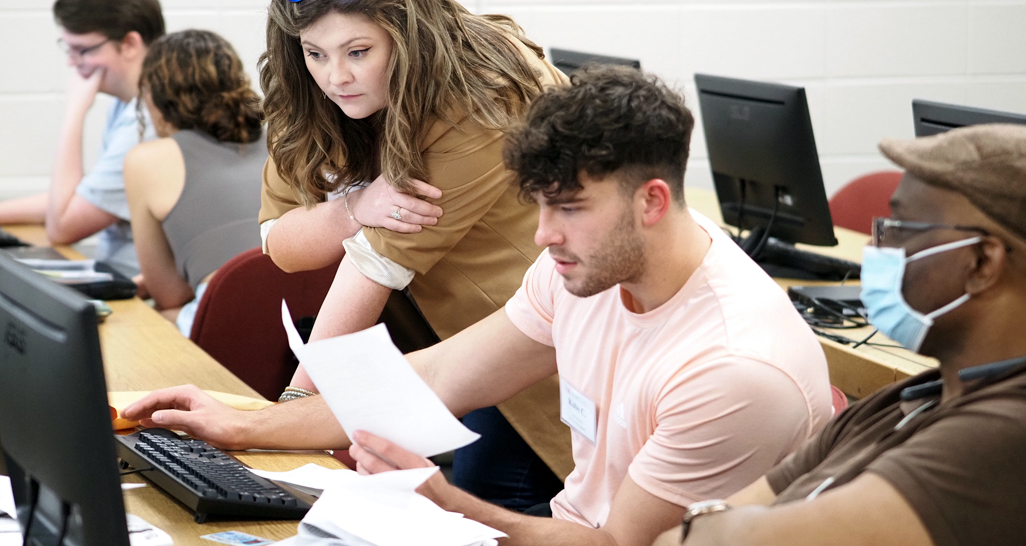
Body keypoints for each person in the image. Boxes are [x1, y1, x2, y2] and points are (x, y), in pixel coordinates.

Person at [123, 65, 834, 546]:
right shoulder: (585, 267)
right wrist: (244, 426)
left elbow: (613, 544)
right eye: (539, 207)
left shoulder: (733, 368)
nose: (542, 235)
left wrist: (448, 504)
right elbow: (433, 381)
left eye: (569, 210)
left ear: (652, 202)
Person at [256, 0, 568, 509]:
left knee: (501, 511)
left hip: (549, 356)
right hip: (468, 349)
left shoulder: (483, 93)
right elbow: (281, 243)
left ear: (408, 35)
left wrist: (281, 423)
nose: (336, 77)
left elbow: (373, 267)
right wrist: (354, 207)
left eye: (358, 52)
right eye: (315, 53)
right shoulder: (321, 92)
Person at [648, 123, 1026, 546]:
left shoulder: (1005, 434)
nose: (877, 249)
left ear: (981, 262)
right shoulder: (905, 401)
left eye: (900, 228)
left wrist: (713, 527)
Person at [0, 0, 164, 276]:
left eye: (82, 50)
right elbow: (86, 197)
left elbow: (63, 226)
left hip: (137, 294)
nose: (72, 62)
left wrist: (75, 112)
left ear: (130, 44)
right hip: (120, 276)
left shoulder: (146, 123)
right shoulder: (129, 105)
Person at [123, 30, 266, 335]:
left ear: (154, 96)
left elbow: (170, 294)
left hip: (231, 321)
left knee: (155, 316)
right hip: (314, 311)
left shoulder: (146, 160)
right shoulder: (283, 134)